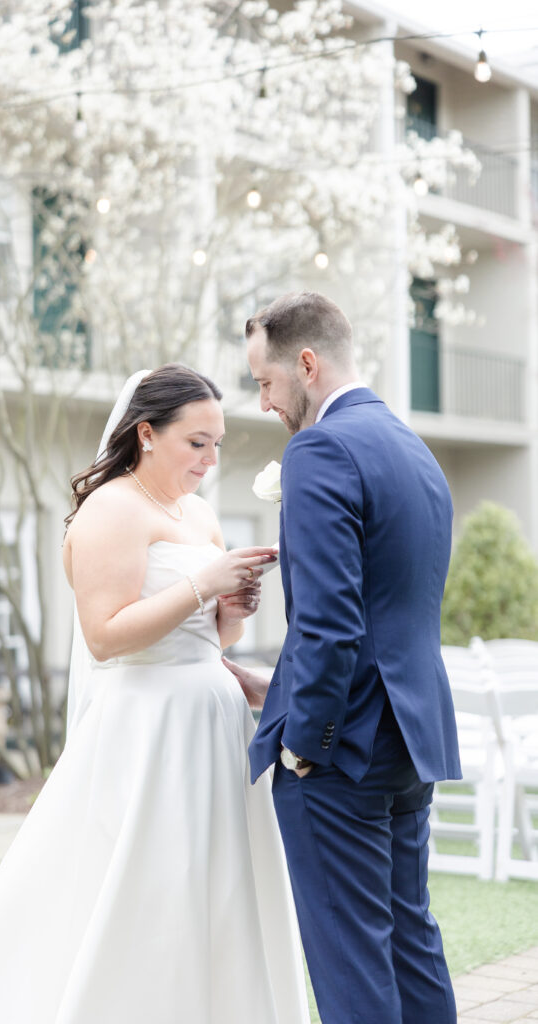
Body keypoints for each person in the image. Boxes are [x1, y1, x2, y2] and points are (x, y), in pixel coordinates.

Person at [0, 363, 311, 1024]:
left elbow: (215, 639)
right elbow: (104, 637)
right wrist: (203, 584)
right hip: (148, 726)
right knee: (155, 887)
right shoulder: (111, 509)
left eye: (216, 443)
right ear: (146, 433)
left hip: (214, 722)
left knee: (223, 887)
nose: (209, 459)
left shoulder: (199, 513)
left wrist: (235, 603)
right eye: (195, 442)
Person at [224, 292, 461, 1024]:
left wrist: (305, 743)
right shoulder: (410, 446)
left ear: (305, 362)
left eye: (264, 382)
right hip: (408, 739)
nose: (263, 402)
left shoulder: (321, 448)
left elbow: (328, 620)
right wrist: (278, 686)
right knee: (408, 942)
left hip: (340, 753)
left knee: (350, 959)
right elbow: (393, 608)